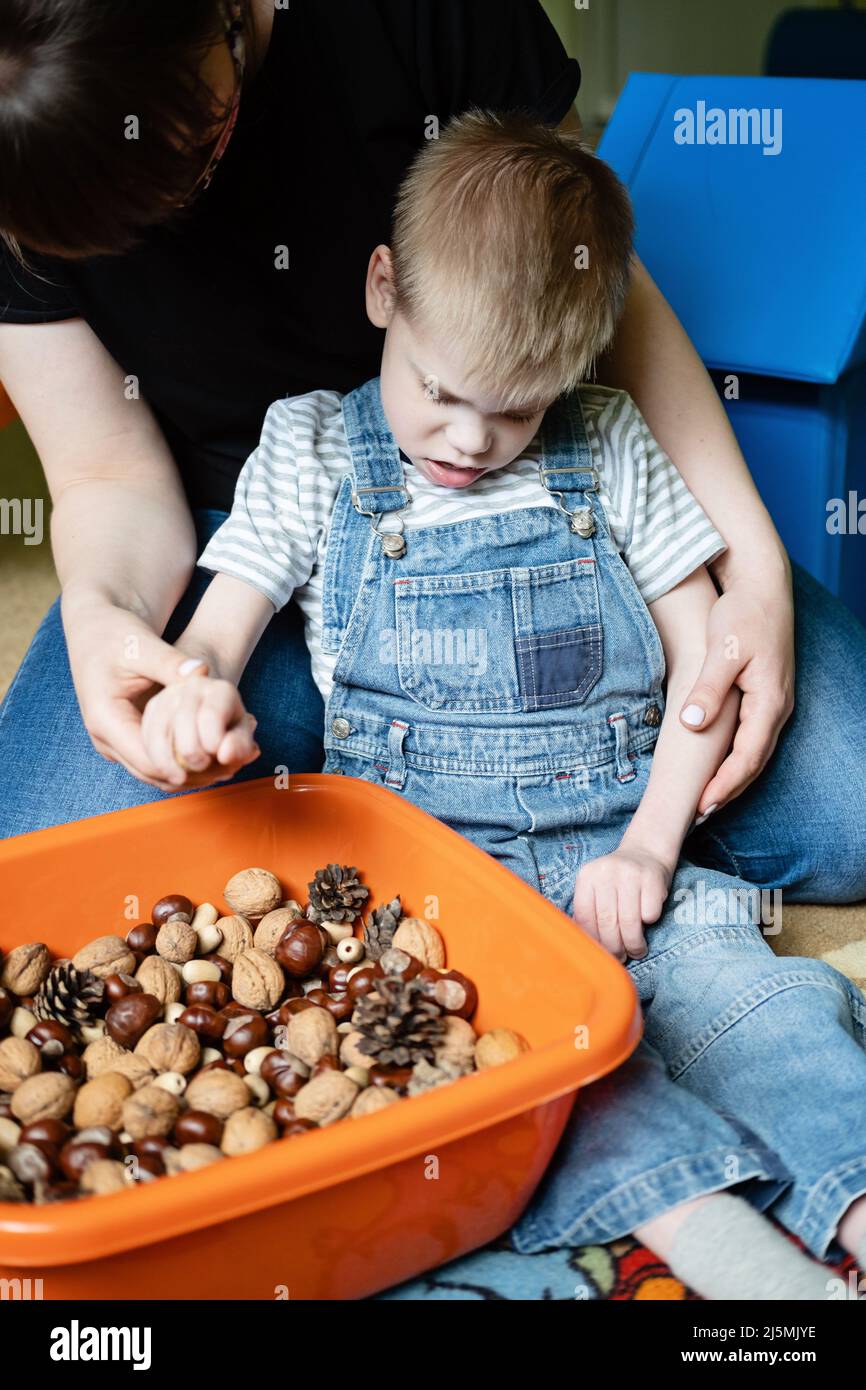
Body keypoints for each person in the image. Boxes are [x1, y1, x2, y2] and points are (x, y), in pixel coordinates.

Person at [133, 111, 866, 1300]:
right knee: (529, 1082)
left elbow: (702, 667)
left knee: (763, 1004)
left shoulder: (611, 444)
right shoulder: (310, 449)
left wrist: (647, 843)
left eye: (519, 411)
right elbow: (212, 638)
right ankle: (738, 1268)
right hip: (436, 902)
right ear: (383, 288)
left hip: (629, 866)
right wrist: (193, 705)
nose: (470, 441)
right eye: (444, 393)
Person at [1, 0, 864, 916]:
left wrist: (753, 569)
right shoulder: (294, 450)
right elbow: (108, 472)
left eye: (192, 151)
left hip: (546, 501)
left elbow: (583, 274)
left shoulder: (416, 18)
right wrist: (111, 620)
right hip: (231, 529)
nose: (180, 211)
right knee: (55, 878)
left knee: (846, 810)